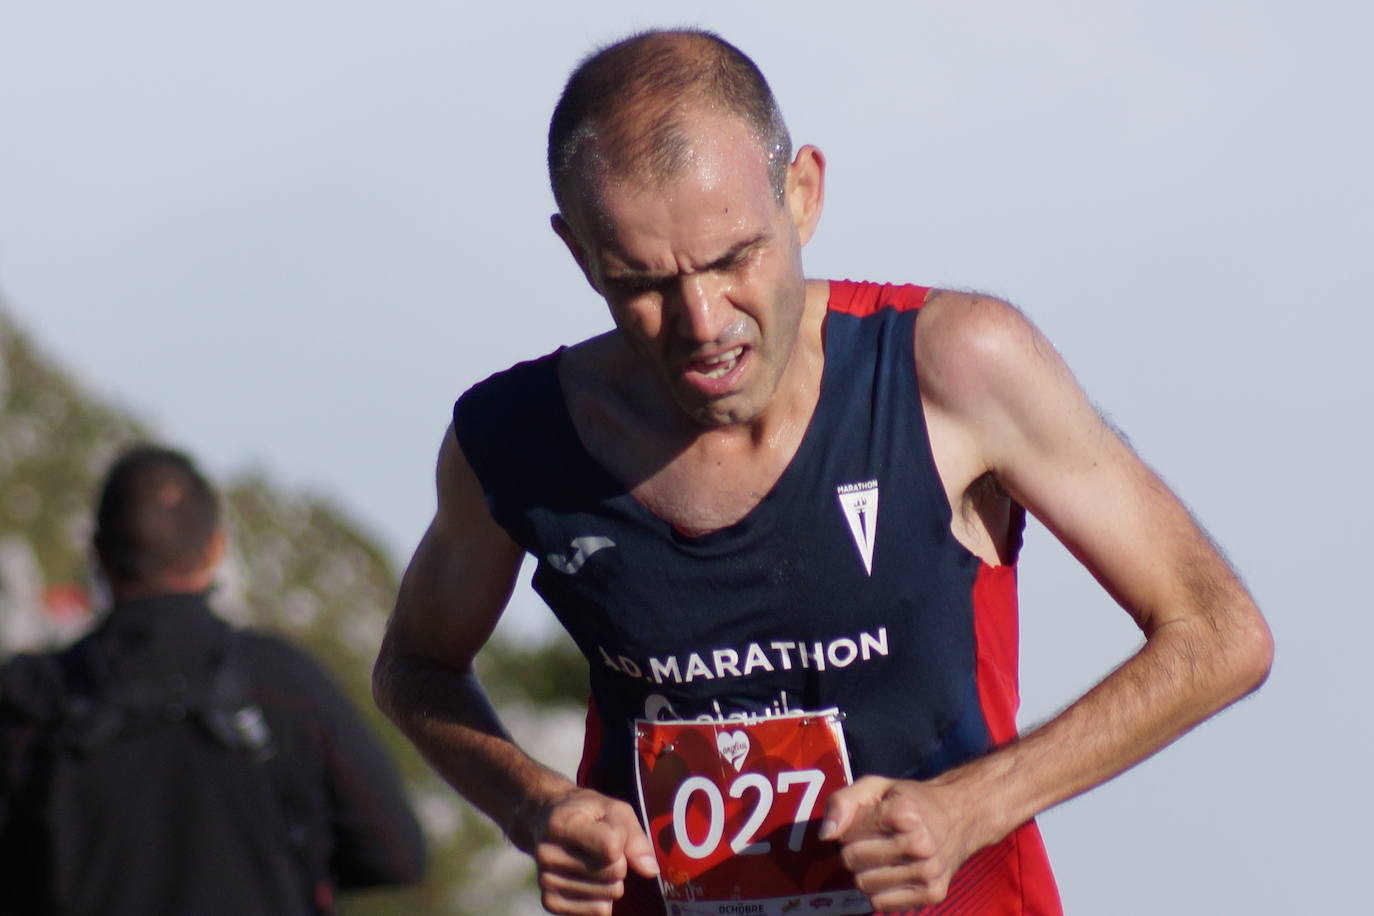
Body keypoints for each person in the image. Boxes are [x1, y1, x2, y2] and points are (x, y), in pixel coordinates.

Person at [373, 29, 1273, 916]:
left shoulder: (952, 367)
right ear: (579, 255)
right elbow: (415, 666)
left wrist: (972, 806)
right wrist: (530, 802)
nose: (702, 321)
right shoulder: (515, 438)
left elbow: (1220, 633)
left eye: (735, 259)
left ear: (802, 194)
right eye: (641, 283)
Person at [0, 445, 425, 916]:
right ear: (216, 549)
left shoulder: (29, 695)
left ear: (98, 554)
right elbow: (398, 856)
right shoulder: (283, 681)